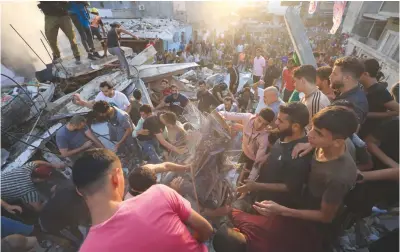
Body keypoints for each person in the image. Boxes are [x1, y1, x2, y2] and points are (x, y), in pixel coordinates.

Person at [218, 106, 358, 252]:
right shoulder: (324, 142)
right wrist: (311, 144)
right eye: (312, 128)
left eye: (318, 133)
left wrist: (282, 210)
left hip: (310, 225)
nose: (309, 134)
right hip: (299, 205)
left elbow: (325, 216)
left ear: (338, 142)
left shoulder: (339, 176)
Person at [73, 149, 213, 252]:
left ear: (80, 192)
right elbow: (206, 229)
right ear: (116, 177)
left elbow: (165, 166)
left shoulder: (88, 249)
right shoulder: (161, 194)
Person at [237, 102, 312, 208]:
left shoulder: (300, 153)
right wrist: (267, 156)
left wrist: (256, 186)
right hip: (259, 197)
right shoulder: (284, 133)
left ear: (295, 126)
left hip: (271, 207)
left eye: (280, 121)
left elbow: (289, 186)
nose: (276, 122)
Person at [219, 108, 275, 175]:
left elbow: (258, 162)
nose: (260, 125)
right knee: (235, 175)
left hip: (253, 161)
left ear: (268, 124)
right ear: (256, 116)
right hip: (244, 153)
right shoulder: (247, 117)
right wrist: (220, 117)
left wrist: (251, 178)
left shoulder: (265, 137)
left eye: (264, 124)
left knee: (243, 179)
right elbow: (224, 114)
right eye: (259, 120)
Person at [359, 58, 399, 138]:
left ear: (366, 74)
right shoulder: (361, 86)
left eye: (357, 72)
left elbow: (397, 110)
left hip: (364, 133)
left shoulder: (380, 92)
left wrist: (368, 114)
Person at [330, 56, 368, 125]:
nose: (330, 76)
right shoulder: (344, 91)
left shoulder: (353, 106)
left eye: (334, 74)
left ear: (347, 78)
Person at [125, 162, 191, 200]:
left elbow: (166, 166)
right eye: (154, 185)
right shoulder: (134, 201)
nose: (156, 183)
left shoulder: (145, 170)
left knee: (171, 174)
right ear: (145, 190)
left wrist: (185, 167)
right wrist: (174, 191)